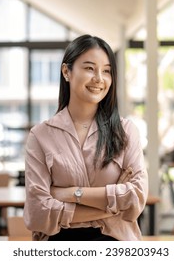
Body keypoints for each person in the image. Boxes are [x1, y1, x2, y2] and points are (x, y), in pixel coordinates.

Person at [23, 34, 148, 241]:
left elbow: (136, 197)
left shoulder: (126, 131)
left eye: (106, 71)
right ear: (66, 71)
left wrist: (71, 194)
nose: (99, 78)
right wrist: (113, 206)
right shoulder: (40, 135)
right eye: (90, 68)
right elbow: (37, 212)